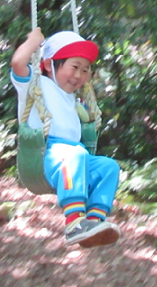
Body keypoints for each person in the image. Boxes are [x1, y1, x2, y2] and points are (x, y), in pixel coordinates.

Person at [11, 28, 122, 249]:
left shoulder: (73, 98)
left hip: (72, 158)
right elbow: (17, 63)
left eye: (85, 70)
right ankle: (74, 222)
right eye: (74, 67)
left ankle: (94, 221)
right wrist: (32, 42)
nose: (79, 75)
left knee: (109, 167)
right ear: (50, 65)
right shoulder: (36, 85)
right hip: (44, 154)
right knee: (75, 153)